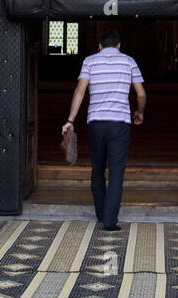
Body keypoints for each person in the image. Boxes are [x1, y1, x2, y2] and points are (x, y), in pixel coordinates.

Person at [62, 28, 146, 231]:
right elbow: (141, 94)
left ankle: (101, 214)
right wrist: (139, 112)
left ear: (99, 46)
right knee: (117, 172)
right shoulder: (129, 61)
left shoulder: (90, 61)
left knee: (97, 169)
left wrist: (70, 119)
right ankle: (109, 220)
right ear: (119, 46)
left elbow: (80, 91)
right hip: (119, 124)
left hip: (96, 124)